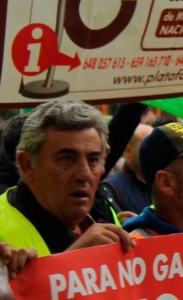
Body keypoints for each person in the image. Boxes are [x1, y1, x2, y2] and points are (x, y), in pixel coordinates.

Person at [0, 102, 135, 275]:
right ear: (27, 164)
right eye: (67, 159)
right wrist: (72, 261)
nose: (85, 174)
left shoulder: (104, 214)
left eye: (93, 160)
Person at [101, 123, 153, 214]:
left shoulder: (160, 184)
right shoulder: (111, 188)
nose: (153, 151)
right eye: (146, 146)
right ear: (128, 151)